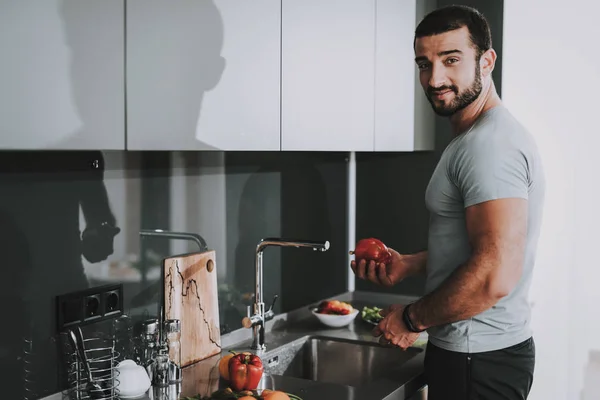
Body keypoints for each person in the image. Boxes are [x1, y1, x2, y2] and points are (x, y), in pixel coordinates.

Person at [351, 5, 545, 400]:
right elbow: (484, 248)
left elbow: (495, 275)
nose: (434, 78)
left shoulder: (489, 147)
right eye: (424, 63)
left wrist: (411, 318)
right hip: (484, 354)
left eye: (451, 60)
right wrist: (411, 264)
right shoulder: (481, 138)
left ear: (487, 61)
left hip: (477, 359)